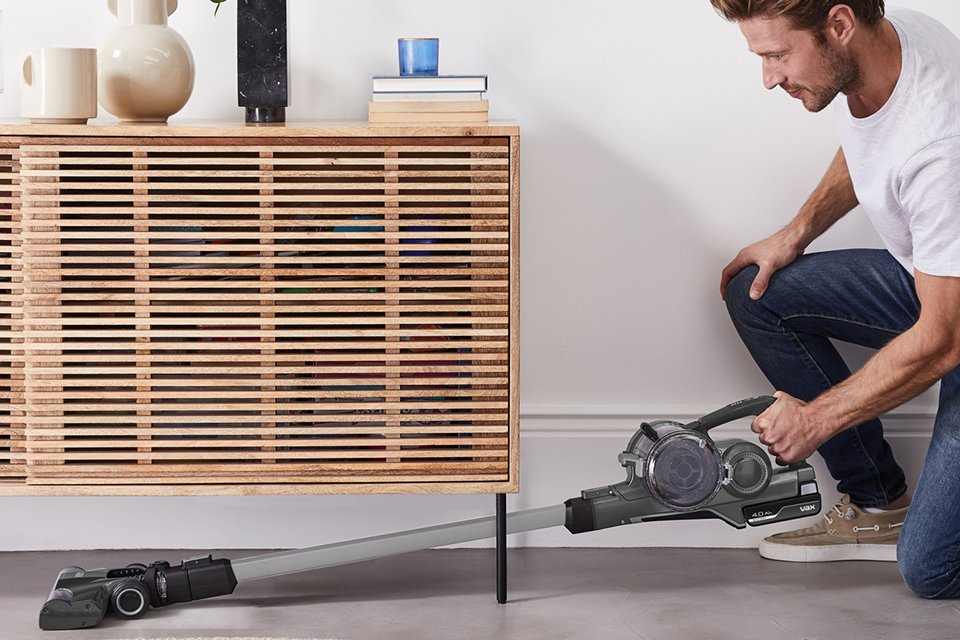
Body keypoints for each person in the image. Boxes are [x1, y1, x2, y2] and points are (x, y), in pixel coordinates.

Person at [709, 0, 960, 599]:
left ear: (839, 26)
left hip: (951, 319)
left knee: (931, 571)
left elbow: (946, 338)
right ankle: (879, 504)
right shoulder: (890, 43)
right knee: (758, 291)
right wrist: (796, 232)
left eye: (777, 55)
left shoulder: (942, 144)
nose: (769, 77)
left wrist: (816, 420)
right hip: (936, 280)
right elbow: (874, 140)